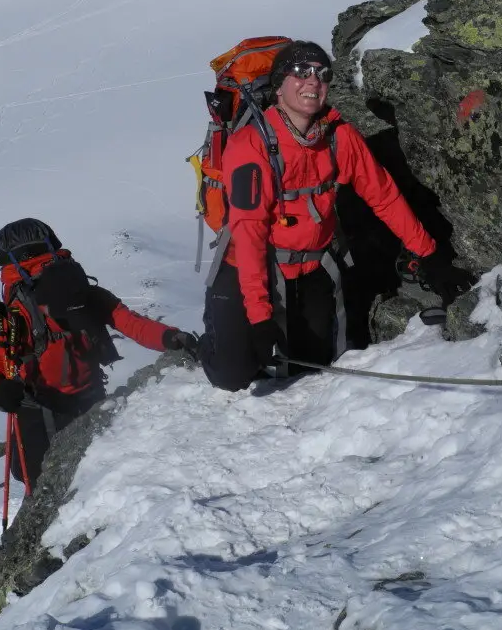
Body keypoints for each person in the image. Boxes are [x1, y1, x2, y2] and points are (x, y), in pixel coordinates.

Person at [198, 40, 473, 392]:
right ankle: (208, 341)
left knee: (314, 366)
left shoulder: (339, 136)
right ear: (279, 85)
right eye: (301, 72)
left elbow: (384, 196)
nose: (313, 80)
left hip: (313, 266)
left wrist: (431, 256)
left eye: (322, 73)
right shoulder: (250, 145)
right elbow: (249, 235)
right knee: (233, 374)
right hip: (250, 268)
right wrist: (259, 315)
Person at [0, 218, 197, 490]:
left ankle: (42, 528)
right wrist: (170, 337)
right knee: (95, 481)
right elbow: (129, 322)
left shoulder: (18, 308)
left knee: (40, 485)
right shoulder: (84, 293)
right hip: (91, 399)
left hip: (37, 411)